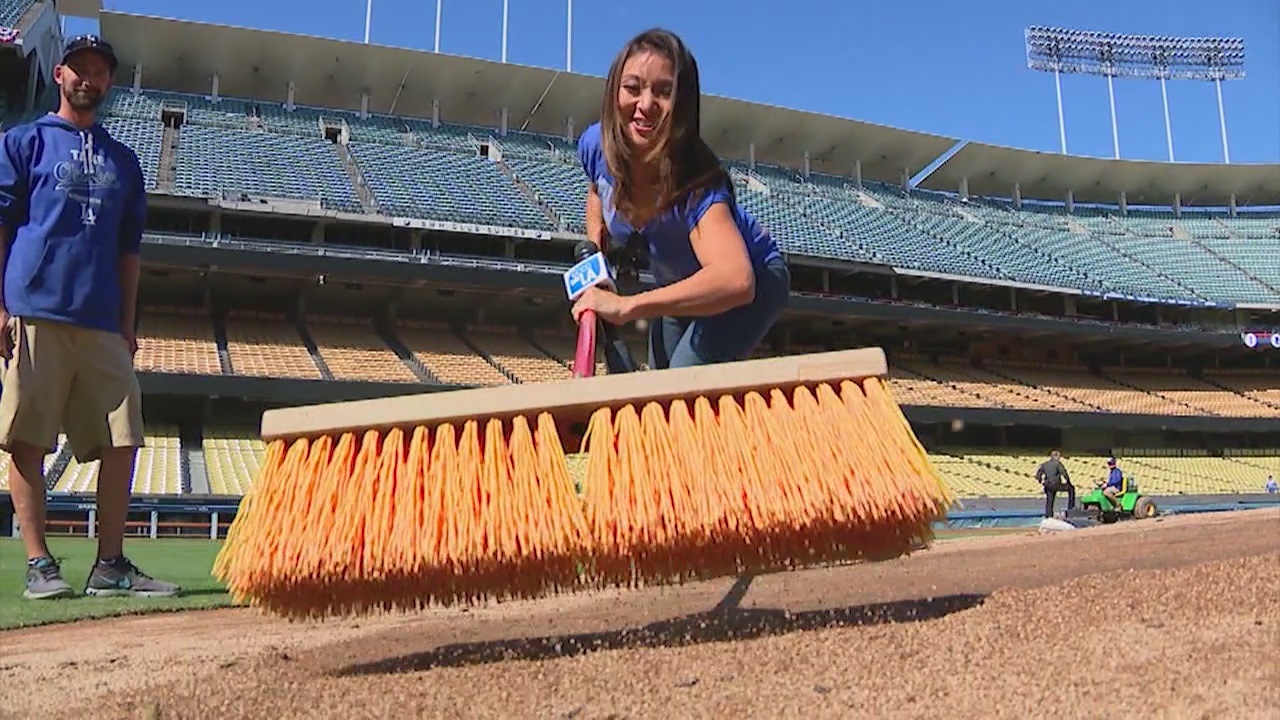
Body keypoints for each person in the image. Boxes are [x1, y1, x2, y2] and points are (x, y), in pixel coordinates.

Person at [0, 34, 180, 600]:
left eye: (99, 72)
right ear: (59, 75)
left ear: (108, 84)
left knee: (122, 439)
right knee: (28, 440)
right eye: (80, 69)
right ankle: (39, 564)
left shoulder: (124, 162)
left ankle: (110, 565)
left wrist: (128, 324)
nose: (89, 79)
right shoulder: (23, 143)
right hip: (36, 308)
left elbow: (130, 250)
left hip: (103, 321)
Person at [570, 28, 791, 370]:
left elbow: (736, 280)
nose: (645, 105)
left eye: (663, 92)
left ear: (683, 103)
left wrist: (627, 307)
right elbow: (596, 190)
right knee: (660, 388)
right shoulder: (597, 144)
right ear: (615, 92)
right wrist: (594, 251)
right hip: (678, 282)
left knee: (682, 383)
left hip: (753, 280)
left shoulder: (698, 185)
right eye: (632, 87)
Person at [1035, 449, 1074, 518]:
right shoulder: (1057, 464)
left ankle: (1048, 516)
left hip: (1048, 485)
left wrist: (1041, 482)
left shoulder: (1044, 464)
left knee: (1049, 500)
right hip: (1056, 485)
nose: (1059, 458)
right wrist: (1069, 482)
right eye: (1059, 456)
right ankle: (1070, 509)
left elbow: (1038, 475)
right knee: (1071, 489)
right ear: (1056, 456)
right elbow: (1064, 473)